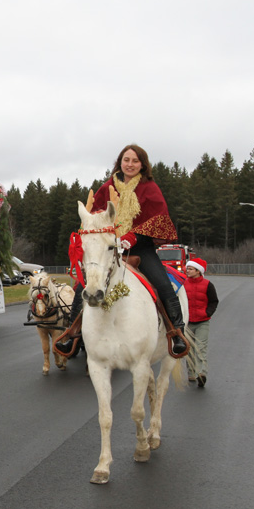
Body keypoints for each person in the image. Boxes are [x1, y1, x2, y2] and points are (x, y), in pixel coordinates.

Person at [90, 143, 188, 355]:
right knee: (86, 286)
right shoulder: (107, 188)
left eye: (135, 161)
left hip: (140, 249)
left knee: (164, 286)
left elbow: (157, 220)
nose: (130, 164)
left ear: (143, 165)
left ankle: (176, 332)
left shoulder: (149, 188)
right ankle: (74, 332)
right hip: (111, 249)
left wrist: (131, 237)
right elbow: (95, 216)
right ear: (120, 162)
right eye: (126, 160)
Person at [182, 257, 218, 387]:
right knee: (189, 349)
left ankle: (201, 373)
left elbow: (214, 301)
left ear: (198, 271)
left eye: (190, 269)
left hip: (202, 322)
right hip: (187, 322)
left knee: (201, 348)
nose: (187, 271)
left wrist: (207, 313)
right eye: (188, 268)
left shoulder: (208, 285)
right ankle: (191, 372)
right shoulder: (183, 283)